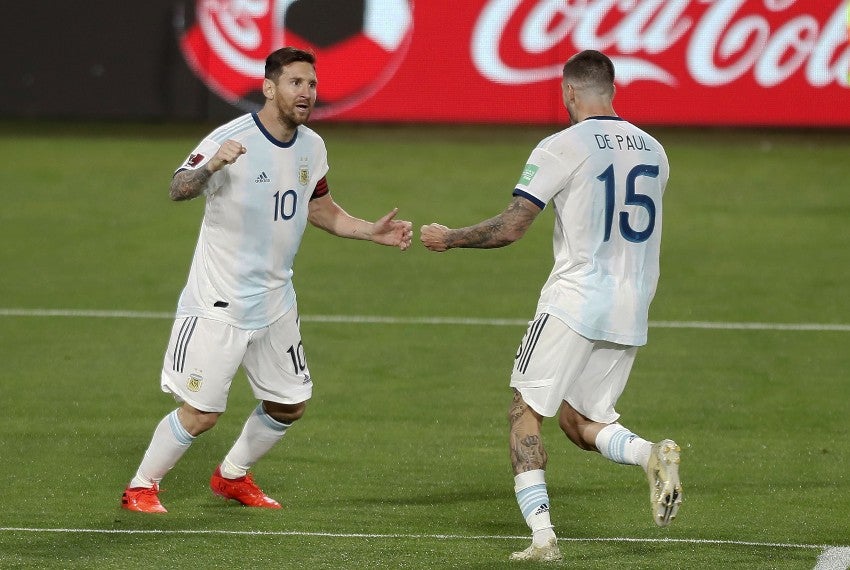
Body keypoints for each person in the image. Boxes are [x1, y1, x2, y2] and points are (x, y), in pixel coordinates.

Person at [121, 47, 413, 513]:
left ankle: (232, 476)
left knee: (289, 404)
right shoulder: (230, 139)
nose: (307, 93)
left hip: (276, 301)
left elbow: (318, 207)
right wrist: (211, 165)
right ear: (269, 87)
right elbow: (178, 187)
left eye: (312, 84)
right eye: (296, 83)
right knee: (202, 414)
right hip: (220, 302)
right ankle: (141, 486)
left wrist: (369, 232)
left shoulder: (313, 146)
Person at [420, 50, 681, 562]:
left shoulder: (563, 145)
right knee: (580, 421)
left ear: (568, 91)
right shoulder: (655, 150)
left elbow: (513, 225)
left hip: (576, 297)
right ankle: (650, 454)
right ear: (613, 88)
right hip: (633, 302)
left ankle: (542, 538)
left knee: (526, 413)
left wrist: (450, 237)